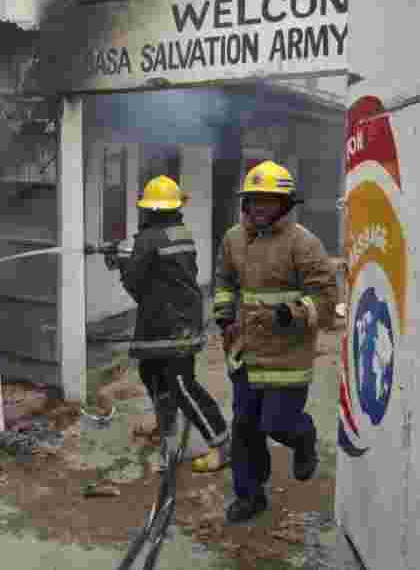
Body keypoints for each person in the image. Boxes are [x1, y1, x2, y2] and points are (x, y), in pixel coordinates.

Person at [213, 161, 338, 523]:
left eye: (270, 201)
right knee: (245, 430)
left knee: (278, 424)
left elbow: (327, 302)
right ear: (245, 202)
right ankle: (250, 495)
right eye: (254, 200)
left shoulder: (304, 243)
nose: (260, 208)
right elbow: (225, 282)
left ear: (285, 204)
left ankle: (303, 438)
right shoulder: (233, 238)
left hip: (287, 356)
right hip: (245, 354)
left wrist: (289, 314)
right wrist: (223, 315)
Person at [117, 175, 231, 473]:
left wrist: (123, 261)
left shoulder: (148, 239)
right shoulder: (179, 232)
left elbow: (135, 285)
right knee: (154, 375)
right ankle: (169, 444)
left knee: (180, 385)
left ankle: (222, 445)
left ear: (150, 210)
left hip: (167, 324)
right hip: (179, 320)